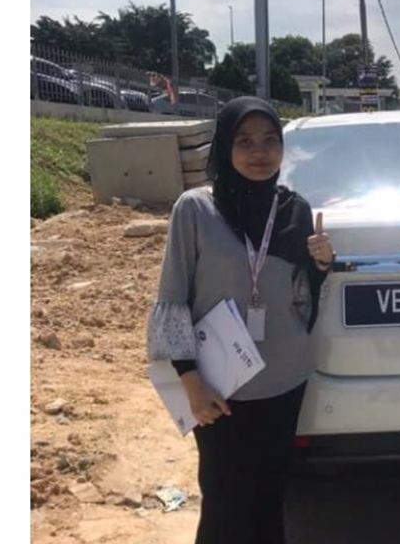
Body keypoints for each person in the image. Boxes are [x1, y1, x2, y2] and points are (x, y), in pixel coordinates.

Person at [148, 97, 334, 544]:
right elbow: (172, 299)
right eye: (245, 141)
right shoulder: (195, 209)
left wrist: (322, 265)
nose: (260, 152)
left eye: (270, 140)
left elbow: (301, 297)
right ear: (224, 147)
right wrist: (190, 381)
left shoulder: (294, 209)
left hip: (284, 380)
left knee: (269, 499)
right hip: (220, 385)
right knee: (224, 503)